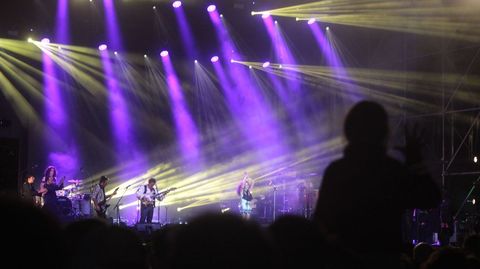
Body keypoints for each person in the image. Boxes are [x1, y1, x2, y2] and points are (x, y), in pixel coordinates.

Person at [313, 101, 441, 268]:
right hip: (385, 260)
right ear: (384, 132)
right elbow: (430, 198)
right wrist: (415, 160)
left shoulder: (336, 171)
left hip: (345, 259)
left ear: (348, 130)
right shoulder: (392, 171)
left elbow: (320, 221)